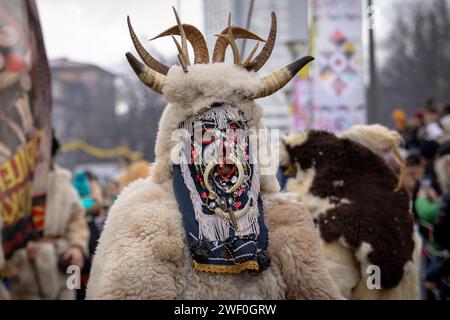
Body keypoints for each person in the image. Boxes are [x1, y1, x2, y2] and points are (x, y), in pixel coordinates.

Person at [5, 132, 89, 299]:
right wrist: (20, 247)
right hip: (26, 276)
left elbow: (77, 221)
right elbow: (7, 227)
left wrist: (77, 247)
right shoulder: (14, 187)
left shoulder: (65, 184)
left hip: (63, 266)